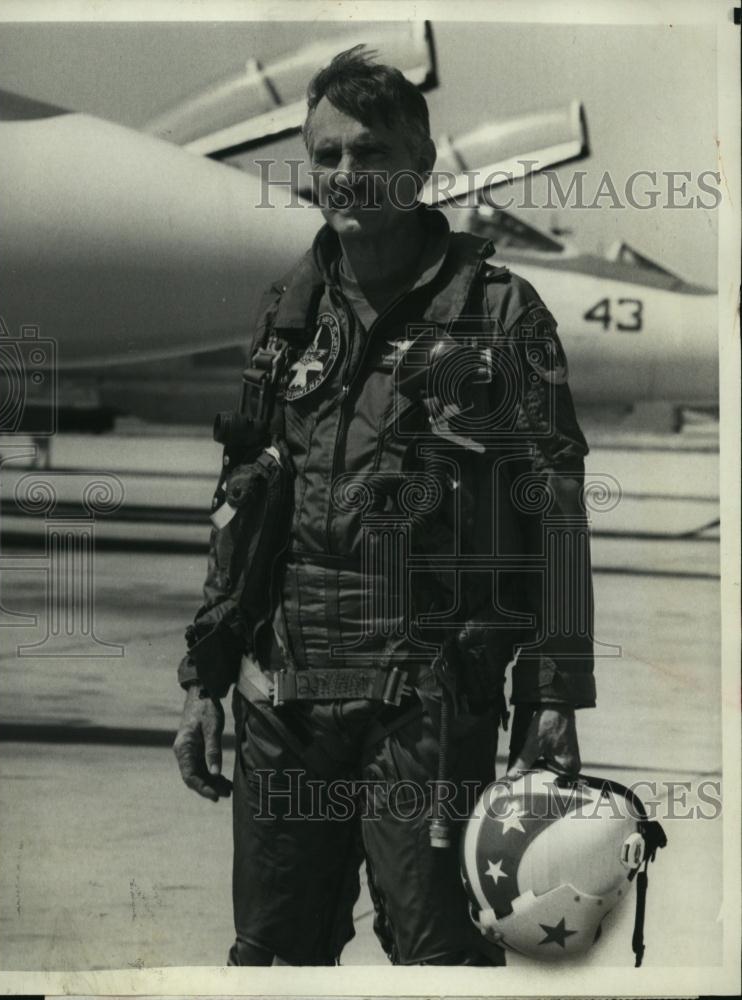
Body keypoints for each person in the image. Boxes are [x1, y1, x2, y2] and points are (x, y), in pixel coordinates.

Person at [173, 45, 595, 967]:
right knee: (272, 949)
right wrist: (206, 676)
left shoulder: (497, 314)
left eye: (368, 153)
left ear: (420, 161)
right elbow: (243, 503)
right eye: (325, 156)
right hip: (289, 687)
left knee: (438, 953)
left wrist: (554, 692)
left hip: (430, 688)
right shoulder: (289, 310)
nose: (344, 175)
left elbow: (555, 504)